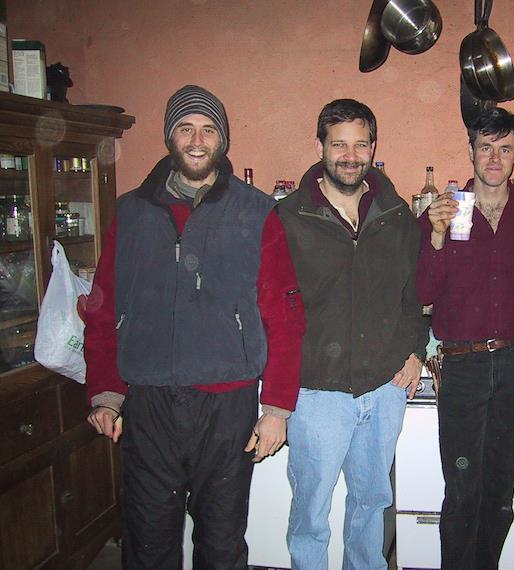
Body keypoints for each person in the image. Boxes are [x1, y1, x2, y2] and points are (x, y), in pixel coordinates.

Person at [84, 84, 305, 570]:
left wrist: (277, 408)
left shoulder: (256, 211)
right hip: (149, 403)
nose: (197, 140)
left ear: (223, 140)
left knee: (222, 543)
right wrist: (106, 391)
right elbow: (103, 306)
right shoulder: (132, 211)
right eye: (186, 129)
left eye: (208, 130)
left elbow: (284, 314)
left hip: (227, 404)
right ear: (170, 137)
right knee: (147, 542)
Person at [277, 98, 428, 570]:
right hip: (315, 392)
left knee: (371, 504)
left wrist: (415, 351)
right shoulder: (288, 217)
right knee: (311, 512)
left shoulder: (396, 214)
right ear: (320, 147)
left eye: (360, 144)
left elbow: (414, 295)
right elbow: (274, 305)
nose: (350, 155)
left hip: (383, 387)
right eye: (339, 144)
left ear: (373, 148)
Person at [416, 107, 514, 569]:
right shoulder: (444, 212)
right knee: (462, 490)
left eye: (504, 148)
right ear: (471, 152)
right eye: (485, 148)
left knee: (500, 489)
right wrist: (435, 236)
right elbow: (422, 292)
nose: (494, 158)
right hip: (463, 366)